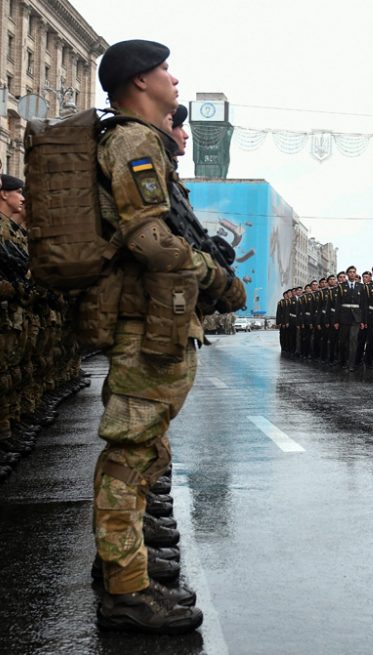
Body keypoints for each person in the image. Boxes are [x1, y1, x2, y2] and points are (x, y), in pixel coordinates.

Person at [89, 39, 244, 633]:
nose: (173, 80)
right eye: (163, 71)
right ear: (137, 82)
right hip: (142, 319)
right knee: (128, 456)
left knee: (142, 448)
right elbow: (147, 239)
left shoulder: (143, 142)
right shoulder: (131, 141)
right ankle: (125, 589)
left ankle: (126, 568)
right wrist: (216, 277)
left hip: (155, 316)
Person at [336, 265, 366, 372]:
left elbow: (363, 305)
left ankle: (351, 364)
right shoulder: (341, 286)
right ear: (347, 274)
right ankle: (343, 361)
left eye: (354, 272)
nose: (352, 274)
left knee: (353, 340)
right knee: (343, 341)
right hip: (344, 317)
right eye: (350, 272)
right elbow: (338, 304)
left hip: (356, 318)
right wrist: (336, 321)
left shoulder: (361, 287)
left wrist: (363, 320)